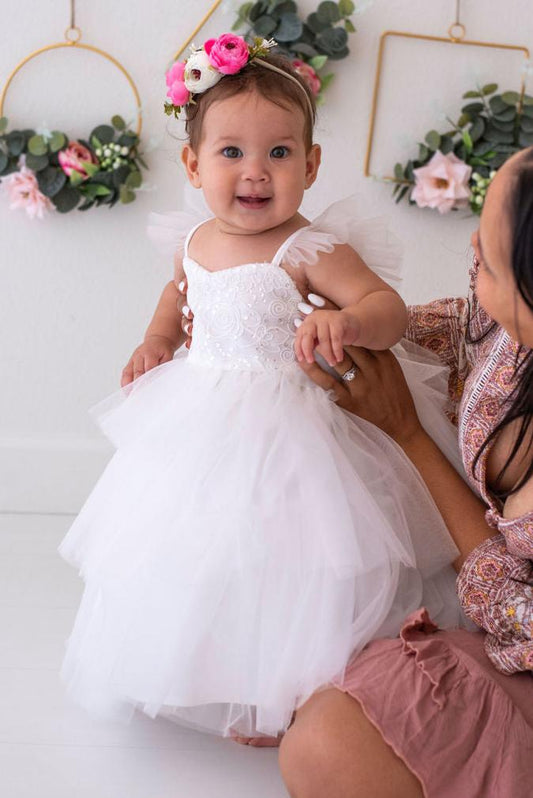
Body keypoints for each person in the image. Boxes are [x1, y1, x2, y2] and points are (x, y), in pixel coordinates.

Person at [59, 35, 464, 744]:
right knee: (202, 548)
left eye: (279, 153)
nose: (255, 173)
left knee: (300, 561)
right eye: (231, 153)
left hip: (297, 423)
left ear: (309, 165)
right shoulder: (194, 240)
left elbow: (387, 306)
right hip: (202, 418)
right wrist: (157, 339)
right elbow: (178, 295)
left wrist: (349, 319)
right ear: (192, 163)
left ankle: (291, 694)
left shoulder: (309, 248)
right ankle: (217, 674)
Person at [275, 148, 533, 797]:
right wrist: (337, 325)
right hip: (491, 602)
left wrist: (408, 435)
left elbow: (519, 619)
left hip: (519, 637)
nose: (470, 241)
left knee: (327, 746)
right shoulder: (501, 327)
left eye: (490, 252)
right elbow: (432, 330)